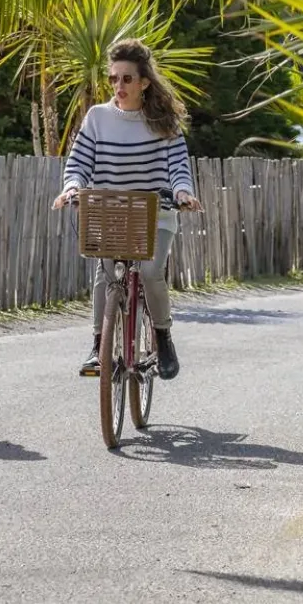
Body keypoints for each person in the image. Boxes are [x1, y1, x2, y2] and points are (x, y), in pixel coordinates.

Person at [52, 38, 198, 379]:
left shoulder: (163, 122)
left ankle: (162, 337)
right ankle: (98, 344)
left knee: (149, 272)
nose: (119, 86)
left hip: (155, 213)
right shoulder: (97, 117)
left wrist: (182, 193)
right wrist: (71, 188)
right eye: (113, 78)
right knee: (105, 275)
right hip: (111, 212)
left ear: (144, 81)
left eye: (127, 79)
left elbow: (178, 167)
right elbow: (79, 163)